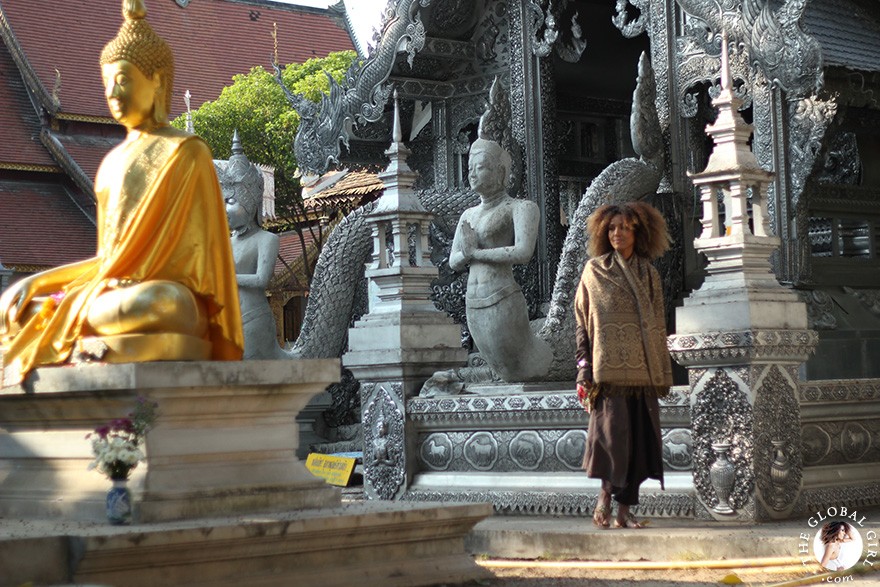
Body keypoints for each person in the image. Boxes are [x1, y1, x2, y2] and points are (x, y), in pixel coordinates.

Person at [0, 0, 242, 385]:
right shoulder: (110, 163)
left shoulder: (188, 152)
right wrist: (38, 282)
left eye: (124, 79)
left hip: (168, 297)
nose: (112, 91)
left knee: (155, 304)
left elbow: (202, 266)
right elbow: (109, 261)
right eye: (107, 80)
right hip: (108, 293)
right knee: (16, 307)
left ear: (158, 81)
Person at [574, 201, 672, 529]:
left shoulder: (649, 274)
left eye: (625, 227)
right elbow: (583, 323)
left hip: (642, 374)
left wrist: (659, 369)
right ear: (605, 231)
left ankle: (625, 511)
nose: (618, 233)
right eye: (612, 228)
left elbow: (658, 324)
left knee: (641, 444)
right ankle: (604, 496)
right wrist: (583, 368)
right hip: (607, 375)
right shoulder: (594, 271)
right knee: (610, 440)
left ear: (638, 232)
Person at [449, 138, 552, 382]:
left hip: (502, 297)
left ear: (501, 171)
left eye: (481, 167)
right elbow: (454, 261)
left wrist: (475, 254)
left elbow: (523, 253)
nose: (473, 174)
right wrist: (467, 254)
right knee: (499, 369)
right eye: (470, 168)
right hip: (473, 304)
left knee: (518, 367)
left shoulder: (520, 207)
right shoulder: (468, 214)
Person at [221, 133, 289, 360]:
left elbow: (261, 279)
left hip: (253, 318)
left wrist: (228, 278)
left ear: (250, 202)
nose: (224, 209)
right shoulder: (226, 243)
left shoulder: (266, 239)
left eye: (230, 201)